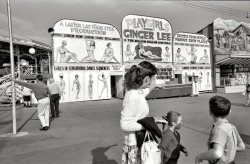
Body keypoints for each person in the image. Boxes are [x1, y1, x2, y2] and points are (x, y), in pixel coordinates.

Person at [120, 61, 160, 164]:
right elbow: (125, 124)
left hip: (139, 141)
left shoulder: (138, 92)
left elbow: (148, 89)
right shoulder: (133, 95)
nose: (151, 83)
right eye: (150, 79)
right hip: (134, 144)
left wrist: (152, 74)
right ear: (146, 79)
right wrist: (147, 125)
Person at [195, 96, 245, 164]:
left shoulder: (219, 129)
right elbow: (242, 147)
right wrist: (227, 150)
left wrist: (199, 156)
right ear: (229, 111)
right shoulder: (232, 127)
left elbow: (217, 153)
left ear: (210, 112)